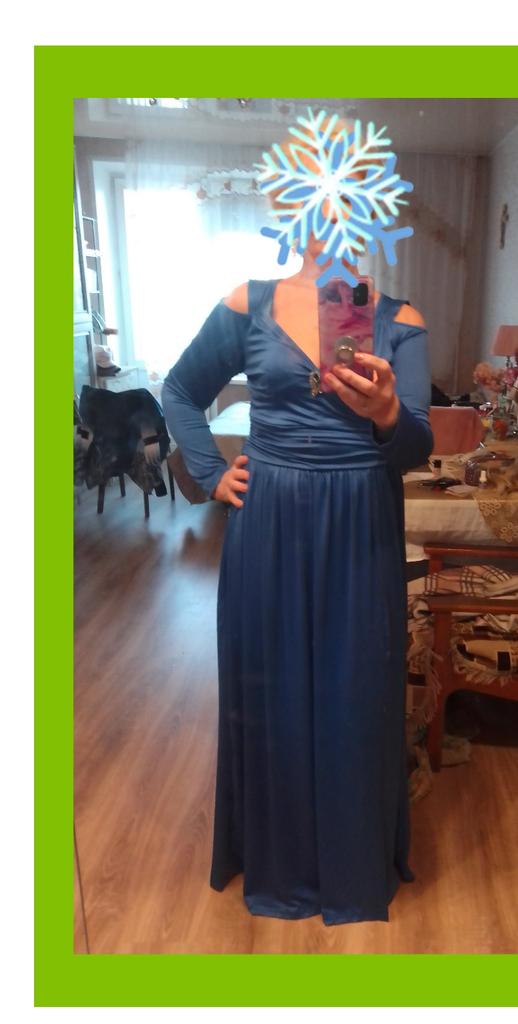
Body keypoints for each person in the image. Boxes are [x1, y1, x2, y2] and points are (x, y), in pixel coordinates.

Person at [162, 141, 433, 926]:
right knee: (271, 687)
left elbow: (419, 445)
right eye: (316, 196)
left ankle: (349, 865)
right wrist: (212, 473)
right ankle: (282, 862)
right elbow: (179, 390)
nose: (331, 213)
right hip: (270, 523)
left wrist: (386, 411)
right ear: (291, 209)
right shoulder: (246, 303)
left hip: (360, 526)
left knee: (357, 690)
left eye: (349, 197)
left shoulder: (398, 319)